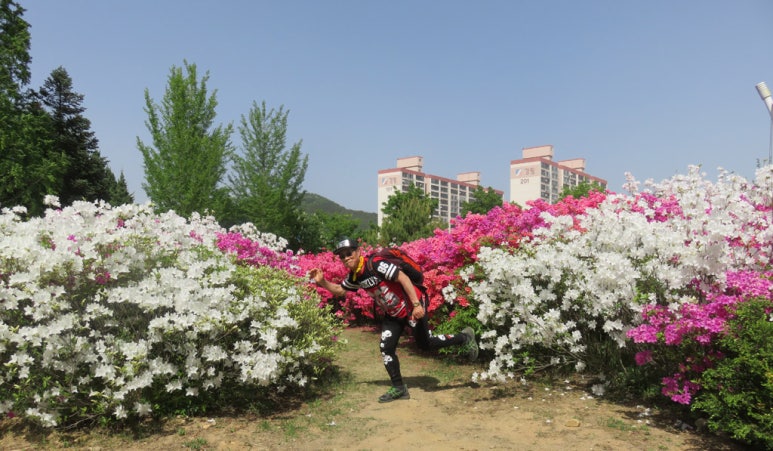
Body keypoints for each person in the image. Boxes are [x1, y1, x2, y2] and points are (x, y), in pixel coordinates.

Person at [309, 237, 478, 403]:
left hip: (411, 306)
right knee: (386, 348)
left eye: (349, 253)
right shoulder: (355, 276)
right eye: (342, 256)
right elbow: (340, 290)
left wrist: (417, 305)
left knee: (425, 344)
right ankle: (399, 388)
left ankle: (464, 337)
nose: (346, 258)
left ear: (358, 251)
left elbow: (403, 278)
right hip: (393, 314)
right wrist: (322, 282)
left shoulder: (375, 264)